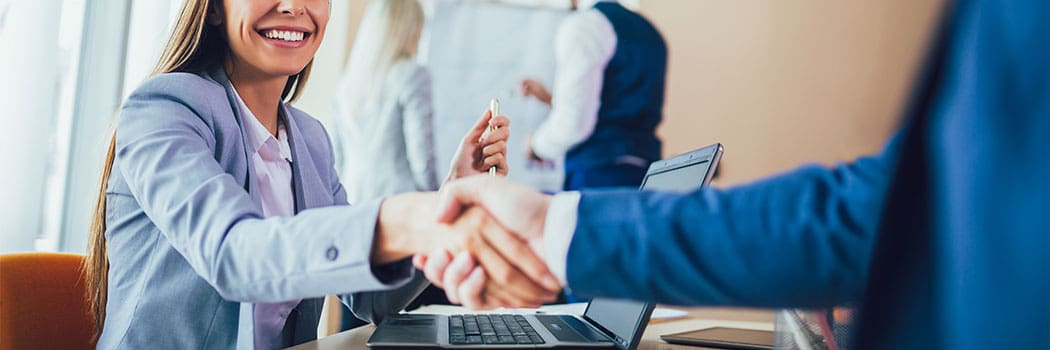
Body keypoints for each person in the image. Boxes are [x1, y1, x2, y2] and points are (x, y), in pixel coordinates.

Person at [420, 0, 1049, 348]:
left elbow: (575, 130)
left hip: (592, 185)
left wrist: (537, 139)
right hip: (633, 178)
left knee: (583, 312)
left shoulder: (580, 28)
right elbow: (900, 206)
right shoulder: (648, 33)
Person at [80, 0, 534, 348]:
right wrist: (405, 217)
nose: (294, 6)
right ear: (215, 9)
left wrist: (448, 201)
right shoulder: (163, 109)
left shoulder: (310, 139)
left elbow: (367, 297)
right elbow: (234, 253)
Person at [521, 0, 667, 190]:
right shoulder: (652, 33)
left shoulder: (584, 26)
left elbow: (574, 125)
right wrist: (551, 99)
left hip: (597, 176)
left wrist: (536, 145)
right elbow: (622, 104)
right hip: (646, 174)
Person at [331, 0, 439, 205]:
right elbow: (422, 161)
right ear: (410, 28)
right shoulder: (412, 75)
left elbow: (337, 161)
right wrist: (436, 201)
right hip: (400, 204)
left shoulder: (347, 83)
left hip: (353, 202)